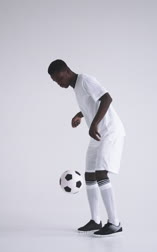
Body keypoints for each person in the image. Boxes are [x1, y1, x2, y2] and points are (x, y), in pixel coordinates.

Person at [48, 59, 126, 237]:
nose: (58, 83)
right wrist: (79, 115)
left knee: (101, 173)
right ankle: (95, 220)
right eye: (55, 81)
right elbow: (90, 105)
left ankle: (115, 222)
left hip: (109, 132)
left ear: (66, 71)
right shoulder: (76, 88)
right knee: (89, 175)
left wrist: (94, 124)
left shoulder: (85, 80)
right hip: (97, 134)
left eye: (58, 78)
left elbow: (106, 98)